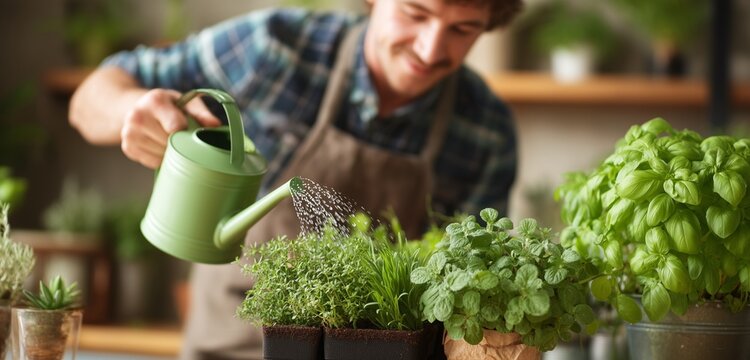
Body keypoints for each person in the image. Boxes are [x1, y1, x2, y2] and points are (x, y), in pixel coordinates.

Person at [69, 0, 522, 358]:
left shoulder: (485, 132)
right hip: (228, 346)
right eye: (415, 13)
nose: (429, 48)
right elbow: (90, 97)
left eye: (462, 29)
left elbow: (465, 298)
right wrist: (131, 111)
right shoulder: (277, 49)